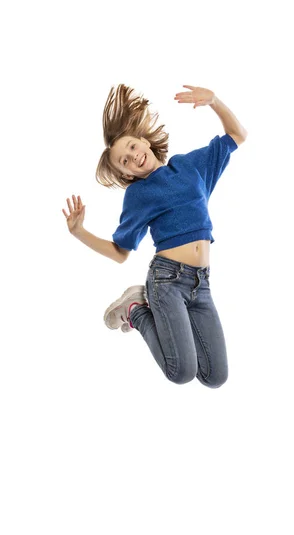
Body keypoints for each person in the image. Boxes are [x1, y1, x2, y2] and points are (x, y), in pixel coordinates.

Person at [62, 84, 247, 388]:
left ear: (144, 141)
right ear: (127, 175)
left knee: (215, 377)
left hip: (202, 283)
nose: (134, 157)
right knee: (181, 372)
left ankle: (153, 315)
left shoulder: (190, 166)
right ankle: (136, 310)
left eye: (133, 147)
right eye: (125, 161)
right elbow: (120, 252)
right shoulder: (139, 195)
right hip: (167, 282)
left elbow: (237, 136)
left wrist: (214, 101)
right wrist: (79, 232)